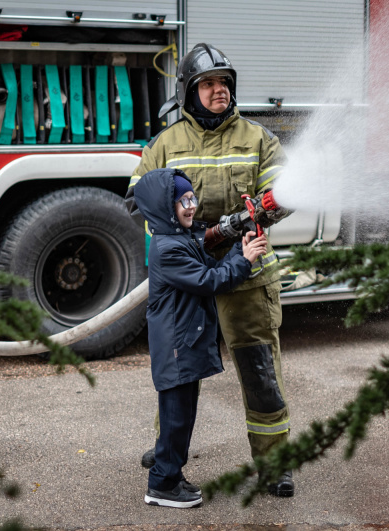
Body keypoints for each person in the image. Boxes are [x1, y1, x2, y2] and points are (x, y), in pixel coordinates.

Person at [125, 43, 296, 496]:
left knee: (260, 371)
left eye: (224, 83)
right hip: (187, 279)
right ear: (189, 91)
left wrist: (254, 216)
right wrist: (189, 236)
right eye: (208, 84)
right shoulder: (166, 143)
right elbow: (134, 197)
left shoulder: (259, 139)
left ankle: (274, 462)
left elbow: (284, 193)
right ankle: (167, 452)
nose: (219, 91)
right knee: (179, 369)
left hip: (250, 278)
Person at [134, 168, 267, 508]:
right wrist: (246, 261)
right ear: (165, 207)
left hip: (184, 344)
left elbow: (211, 265)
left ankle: (171, 476)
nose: (190, 206)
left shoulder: (182, 238)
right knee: (176, 420)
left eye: (192, 198)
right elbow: (211, 280)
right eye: (182, 201)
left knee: (181, 418)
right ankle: (161, 485)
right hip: (177, 348)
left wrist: (241, 249)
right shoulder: (168, 249)